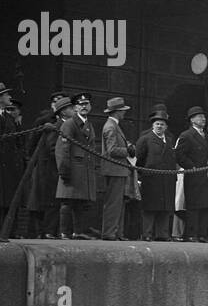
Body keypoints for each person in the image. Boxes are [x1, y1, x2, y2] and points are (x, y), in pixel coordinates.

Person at [26, 93, 70, 238]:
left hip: (54, 169)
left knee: (54, 201)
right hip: (51, 169)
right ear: (63, 111)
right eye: (70, 108)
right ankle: (47, 232)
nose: (73, 110)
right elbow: (53, 148)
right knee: (50, 201)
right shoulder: (56, 126)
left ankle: (50, 231)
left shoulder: (64, 125)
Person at [55, 92, 98, 239]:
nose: (84, 107)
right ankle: (65, 232)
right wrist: (64, 171)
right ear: (75, 108)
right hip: (72, 169)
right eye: (81, 104)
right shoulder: (69, 124)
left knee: (80, 203)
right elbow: (62, 149)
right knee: (67, 202)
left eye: (87, 104)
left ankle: (78, 232)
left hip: (84, 169)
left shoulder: (88, 124)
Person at [134, 111, 178, 240]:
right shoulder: (145, 139)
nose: (159, 126)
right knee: (149, 208)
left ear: (166, 127)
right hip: (151, 180)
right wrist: (141, 177)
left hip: (166, 180)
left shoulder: (169, 141)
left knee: (164, 208)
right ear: (153, 126)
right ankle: (147, 234)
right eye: (157, 124)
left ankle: (162, 234)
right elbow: (139, 160)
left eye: (162, 124)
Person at [176, 105, 208, 242]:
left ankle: (202, 234)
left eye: (203, 116)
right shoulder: (186, 135)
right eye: (199, 116)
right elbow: (179, 155)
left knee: (204, 205)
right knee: (193, 206)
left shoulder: (206, 136)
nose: (203, 119)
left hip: (205, 176)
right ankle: (191, 234)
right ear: (192, 120)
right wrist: (190, 166)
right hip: (194, 176)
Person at [99, 97, 133, 240]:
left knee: (118, 202)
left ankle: (116, 232)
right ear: (117, 112)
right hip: (115, 169)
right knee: (114, 202)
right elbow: (112, 150)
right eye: (122, 111)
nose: (124, 113)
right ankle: (109, 232)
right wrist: (128, 150)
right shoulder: (111, 127)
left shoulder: (113, 125)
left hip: (117, 169)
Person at [0, 81, 25, 233]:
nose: (9, 96)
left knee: (6, 199)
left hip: (8, 165)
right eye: (6, 94)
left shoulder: (8, 118)